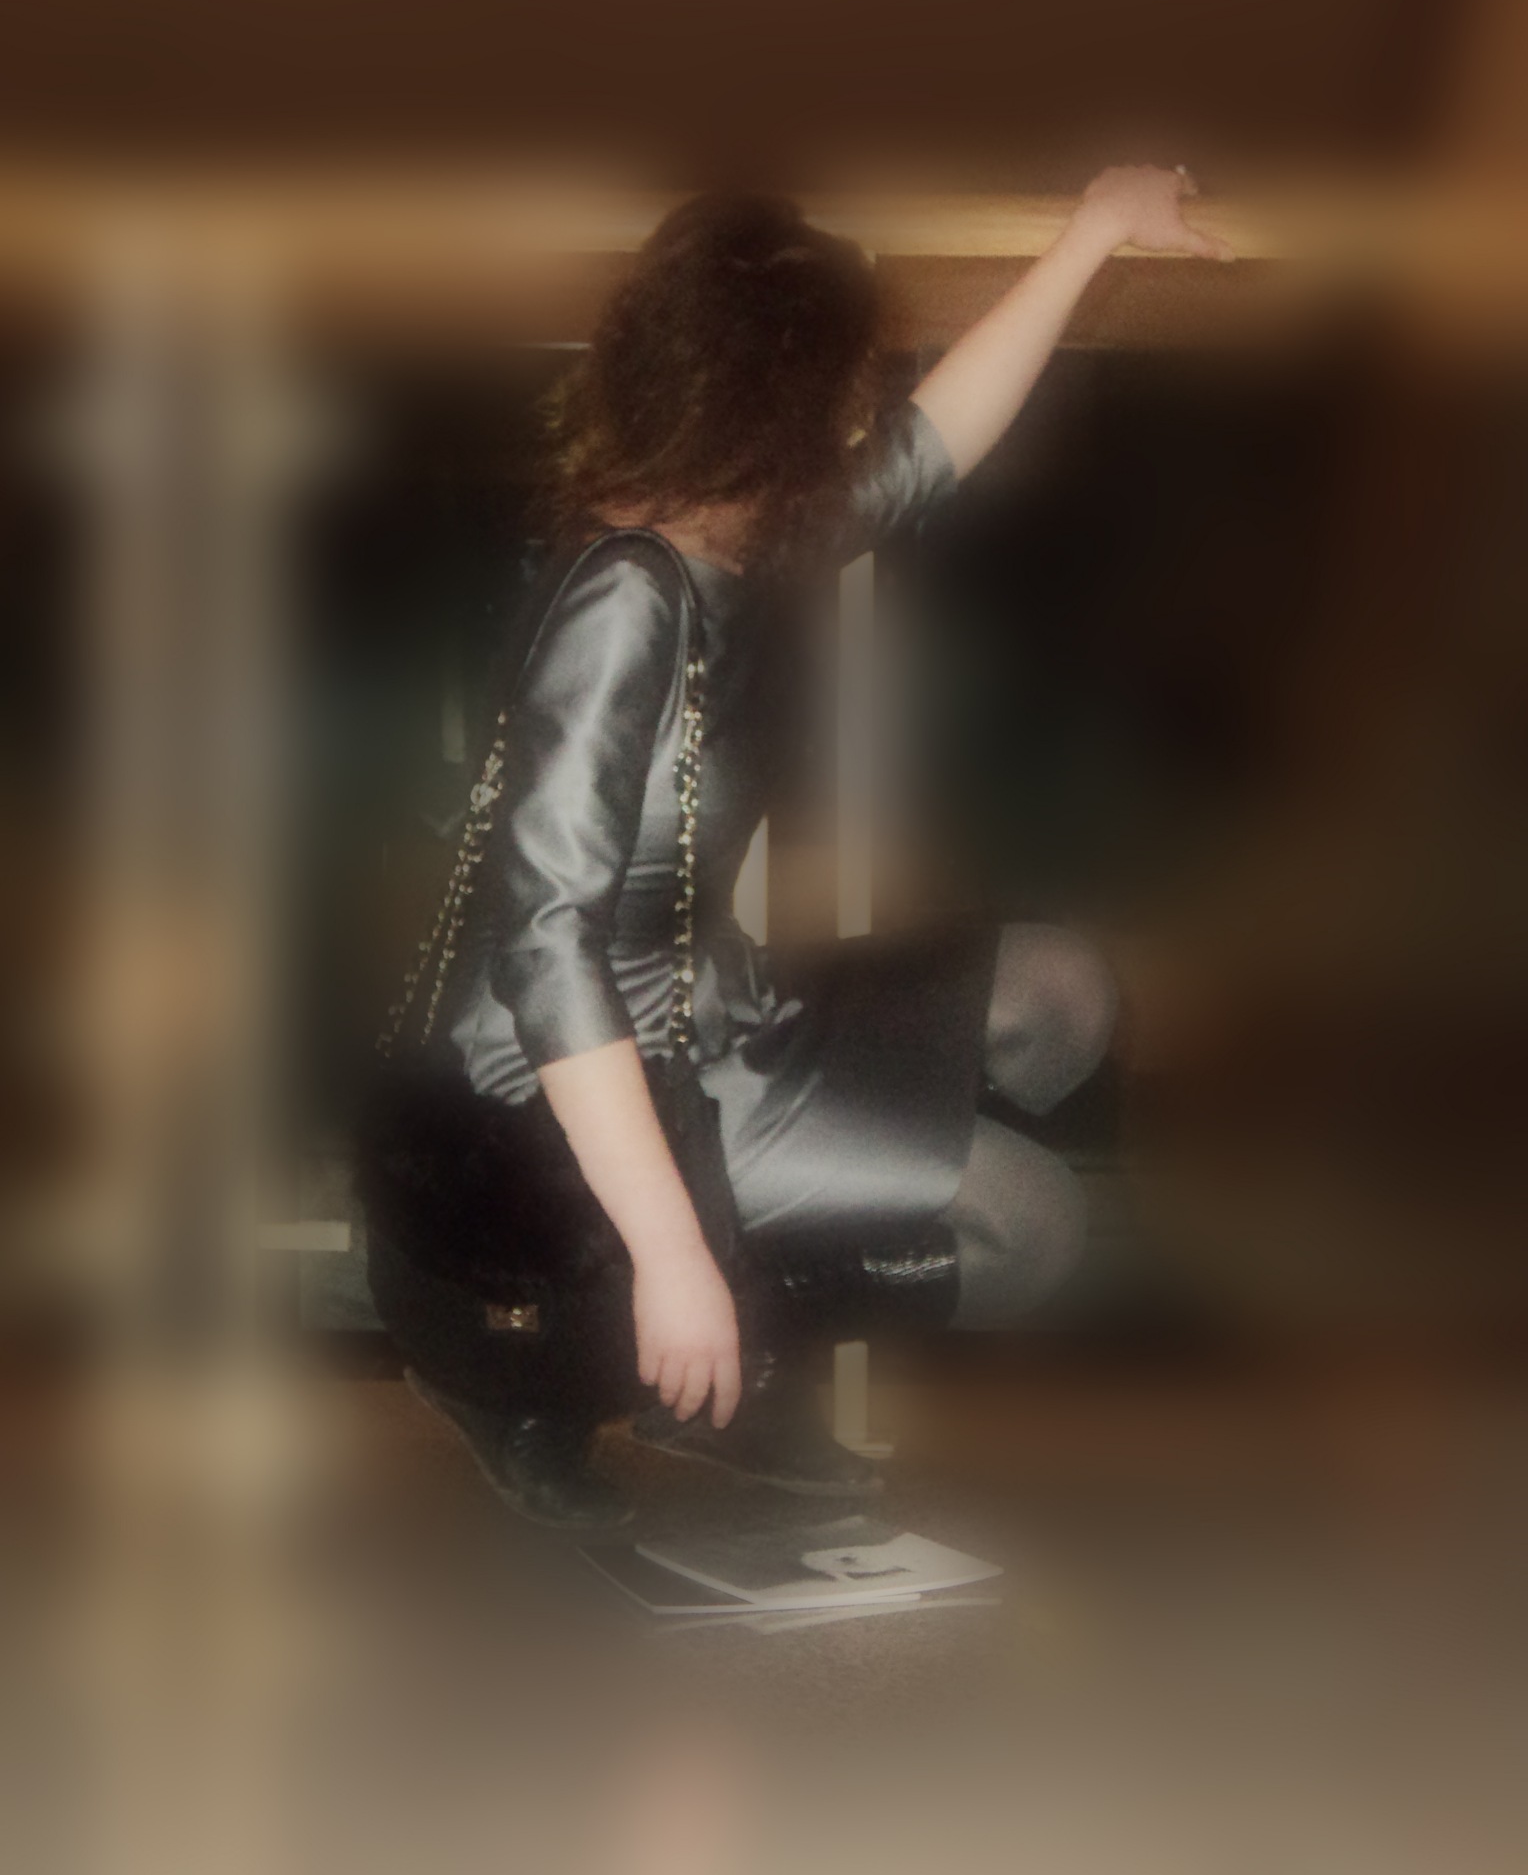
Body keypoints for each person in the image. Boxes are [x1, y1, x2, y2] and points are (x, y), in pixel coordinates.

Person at [368, 167, 1232, 1528]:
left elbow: (930, 450)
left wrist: (1096, 232)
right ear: (771, 401)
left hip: (711, 1007)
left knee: (1066, 991)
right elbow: (545, 951)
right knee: (1035, 1226)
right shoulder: (626, 598)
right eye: (842, 383)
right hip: (565, 1080)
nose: (857, 408)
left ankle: (754, 1275)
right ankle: (658, 1370)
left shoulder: (743, 532)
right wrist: (672, 1255)